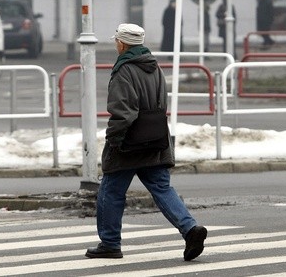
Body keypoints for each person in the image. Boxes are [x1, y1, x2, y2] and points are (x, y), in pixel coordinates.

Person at [85, 23, 207, 261]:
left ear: (122, 44)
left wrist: (114, 140)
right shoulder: (154, 67)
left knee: (110, 191)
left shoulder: (124, 71)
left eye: (116, 42)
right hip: (155, 139)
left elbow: (124, 112)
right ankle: (190, 229)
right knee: (162, 188)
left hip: (129, 142)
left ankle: (110, 243)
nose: (115, 45)